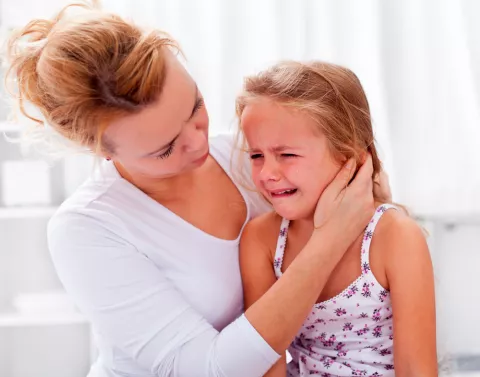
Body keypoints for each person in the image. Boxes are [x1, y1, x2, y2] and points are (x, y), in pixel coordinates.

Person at [5, 3, 389, 377]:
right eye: (165, 148)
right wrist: (331, 238)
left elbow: (362, 206)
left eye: (195, 107)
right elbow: (209, 368)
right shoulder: (87, 230)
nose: (197, 142)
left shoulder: (249, 160)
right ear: (100, 150)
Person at [237, 61, 437, 376]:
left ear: (350, 157)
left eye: (287, 155)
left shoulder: (395, 237)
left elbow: (416, 370)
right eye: (256, 155)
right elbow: (266, 363)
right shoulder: (261, 240)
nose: (267, 174)